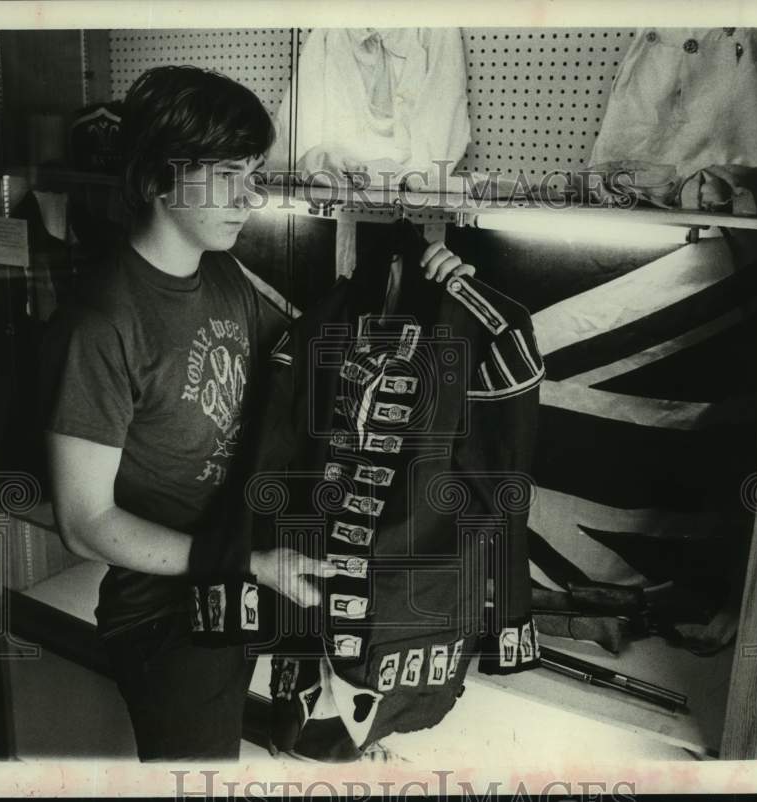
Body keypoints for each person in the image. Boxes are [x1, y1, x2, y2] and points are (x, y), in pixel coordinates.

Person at [40, 64, 474, 761]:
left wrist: (423, 283)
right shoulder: (100, 324)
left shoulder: (218, 272)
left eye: (254, 171)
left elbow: (320, 351)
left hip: (245, 572)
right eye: (228, 175)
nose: (252, 194)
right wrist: (247, 561)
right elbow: (85, 525)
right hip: (166, 620)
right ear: (158, 176)